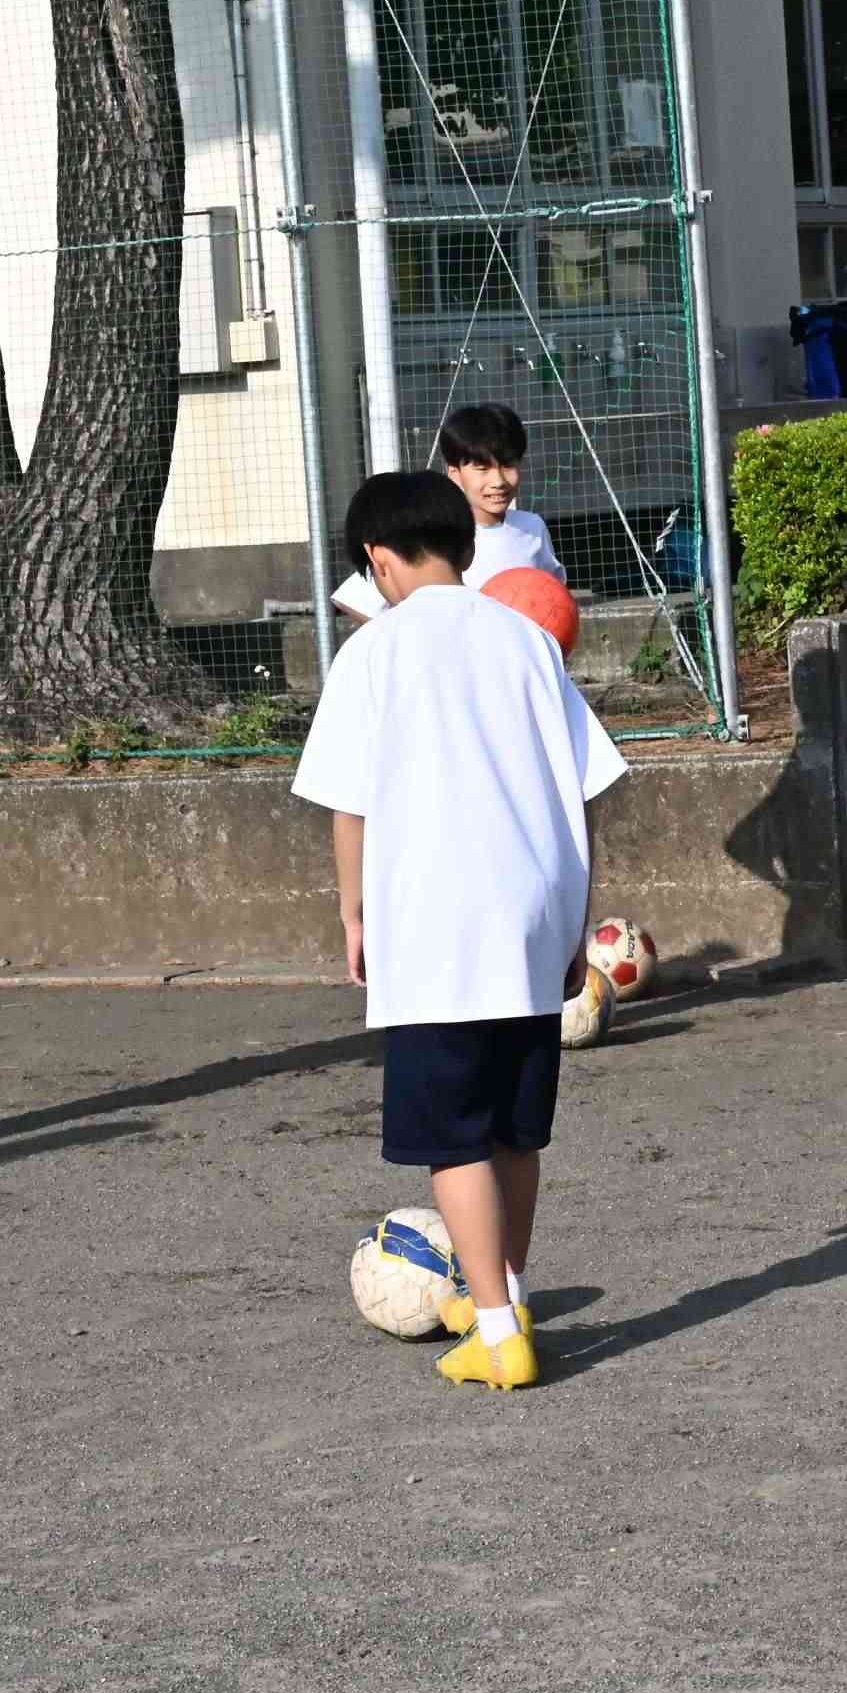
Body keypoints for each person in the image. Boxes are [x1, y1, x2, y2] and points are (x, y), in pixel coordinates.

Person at [292, 470, 627, 1389]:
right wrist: (574, 914)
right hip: (533, 911)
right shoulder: (528, 641)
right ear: (466, 545)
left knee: (452, 1133)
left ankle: (497, 1331)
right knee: (515, 1127)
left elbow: (349, 804)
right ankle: (506, 1294)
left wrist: (354, 914)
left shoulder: (372, 653)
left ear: (377, 560)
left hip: (431, 919)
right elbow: (585, 787)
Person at [328, 403, 565, 622]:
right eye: (482, 469)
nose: (498, 481)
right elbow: (353, 600)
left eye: (508, 465)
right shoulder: (437, 532)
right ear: (454, 473)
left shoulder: (532, 528)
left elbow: (551, 594)